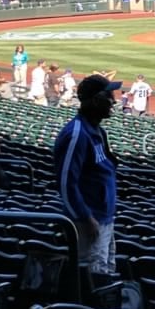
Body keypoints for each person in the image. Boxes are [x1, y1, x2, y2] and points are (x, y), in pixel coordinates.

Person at [54, 74, 119, 280]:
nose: (114, 101)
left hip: (104, 218)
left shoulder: (98, 131)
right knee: (92, 281)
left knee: (106, 276)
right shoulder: (77, 134)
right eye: (108, 96)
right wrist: (85, 217)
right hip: (89, 223)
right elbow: (66, 183)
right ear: (95, 100)